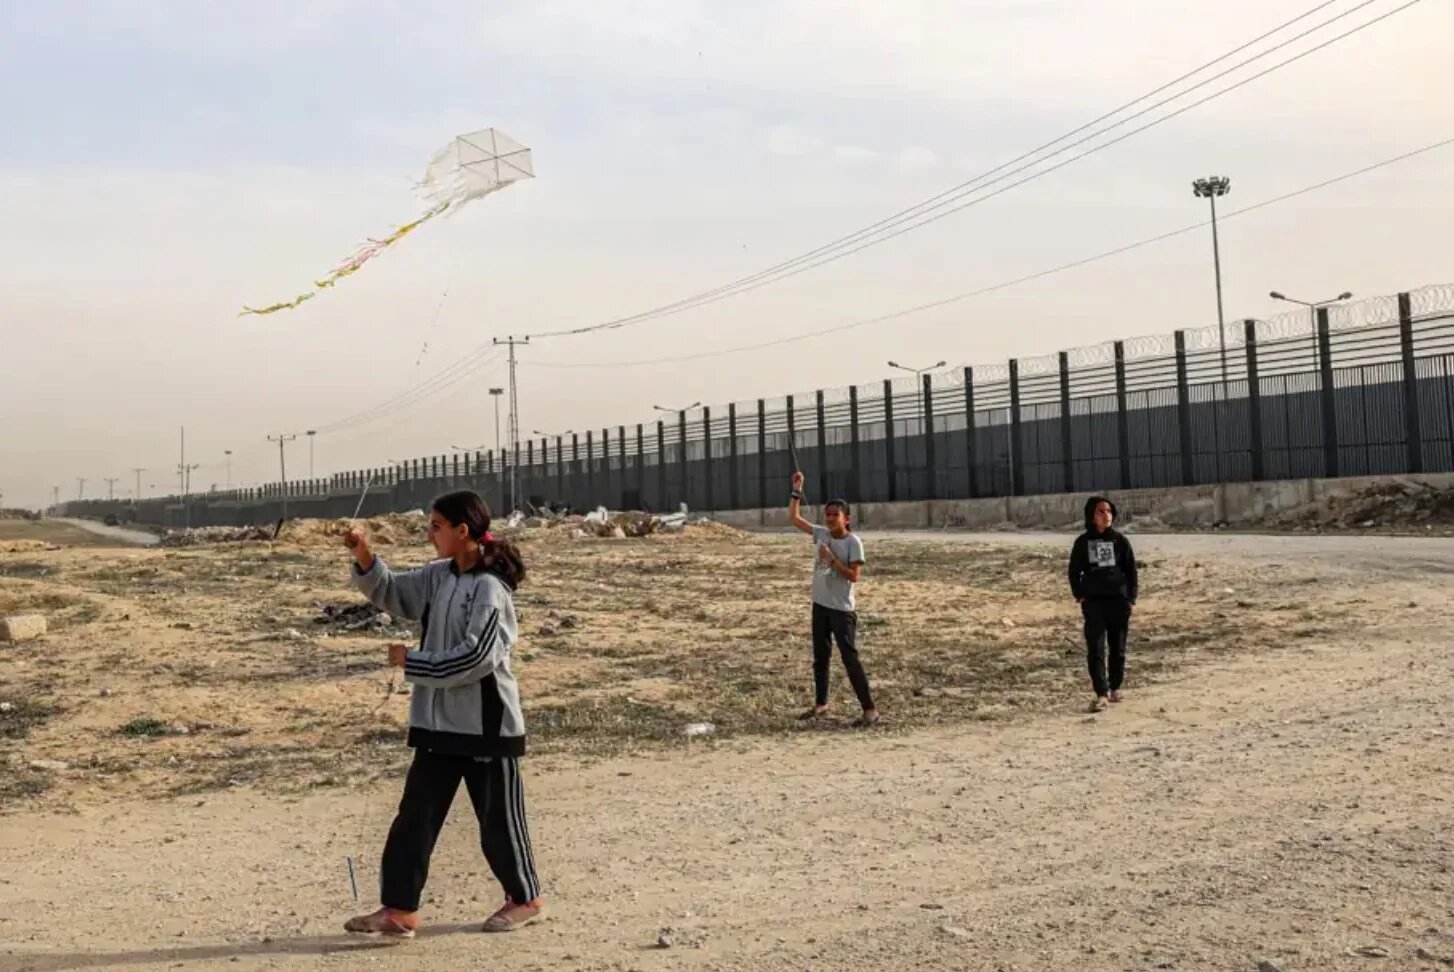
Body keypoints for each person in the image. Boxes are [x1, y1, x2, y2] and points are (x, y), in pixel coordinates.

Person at [341, 490, 543, 938]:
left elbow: (475, 659)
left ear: (462, 531)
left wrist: (413, 662)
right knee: (414, 819)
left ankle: (525, 898)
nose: (429, 534)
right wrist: (363, 554)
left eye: (436, 526)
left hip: (487, 728)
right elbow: (394, 592)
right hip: (437, 727)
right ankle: (399, 911)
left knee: (499, 824)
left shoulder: (491, 589)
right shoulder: (439, 575)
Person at [787, 471, 879, 727]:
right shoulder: (822, 534)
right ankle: (821, 704)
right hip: (820, 605)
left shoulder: (853, 543)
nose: (829, 519)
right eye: (827, 515)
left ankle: (870, 710)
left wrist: (831, 560)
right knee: (821, 656)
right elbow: (794, 518)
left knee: (849, 657)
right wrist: (797, 490)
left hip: (841, 610)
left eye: (834, 515)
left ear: (846, 519)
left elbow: (854, 576)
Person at [1068, 495, 1139, 713]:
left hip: (1118, 601)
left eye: (1108, 511)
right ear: (1092, 516)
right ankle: (1101, 692)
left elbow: (1131, 571)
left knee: (1118, 648)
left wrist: (1131, 598)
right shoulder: (1082, 543)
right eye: (1101, 511)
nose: (1106, 515)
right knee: (1096, 648)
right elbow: (1073, 571)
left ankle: (1115, 686)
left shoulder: (1120, 541)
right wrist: (1080, 594)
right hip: (1094, 603)